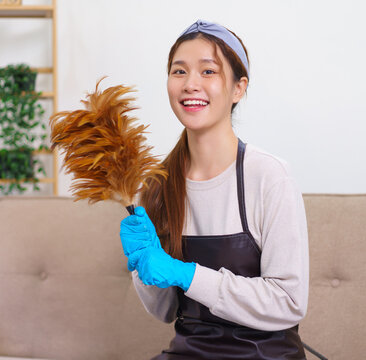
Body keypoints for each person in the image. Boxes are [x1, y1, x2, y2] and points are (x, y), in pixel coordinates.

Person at [119, 19, 309, 360]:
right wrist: (142, 266)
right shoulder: (158, 186)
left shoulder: (269, 175)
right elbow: (164, 311)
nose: (191, 84)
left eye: (208, 72)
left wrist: (187, 273)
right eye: (179, 72)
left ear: (238, 89)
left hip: (265, 354)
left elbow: (289, 302)